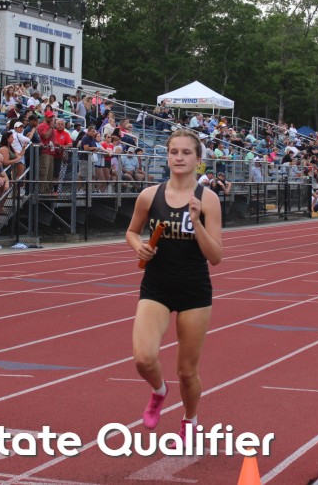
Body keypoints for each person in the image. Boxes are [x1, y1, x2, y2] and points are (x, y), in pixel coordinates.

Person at [125, 129, 223, 440]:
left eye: (186, 152)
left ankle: (189, 421)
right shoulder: (149, 195)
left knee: (186, 371)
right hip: (156, 286)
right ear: (167, 157)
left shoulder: (208, 199)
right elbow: (131, 232)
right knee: (143, 358)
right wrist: (138, 247)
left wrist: (196, 223)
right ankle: (158, 390)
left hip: (194, 290)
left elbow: (216, 256)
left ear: (198, 159)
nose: (179, 158)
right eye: (174, 152)